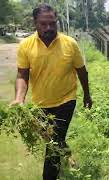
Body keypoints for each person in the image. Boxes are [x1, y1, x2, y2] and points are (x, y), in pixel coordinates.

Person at [10, 4, 92, 180]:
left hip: (66, 100)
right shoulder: (26, 46)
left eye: (52, 23)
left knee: (52, 147)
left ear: (57, 22)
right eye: (43, 24)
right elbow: (22, 75)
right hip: (40, 103)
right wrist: (19, 98)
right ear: (35, 24)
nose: (49, 28)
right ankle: (66, 151)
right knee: (52, 139)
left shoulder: (70, 44)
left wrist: (87, 95)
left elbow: (82, 71)